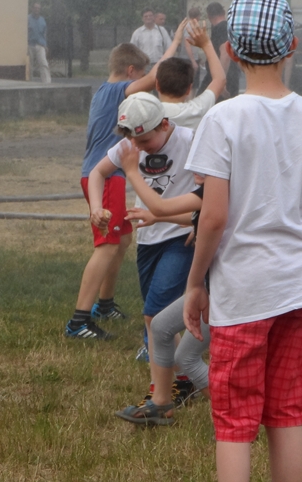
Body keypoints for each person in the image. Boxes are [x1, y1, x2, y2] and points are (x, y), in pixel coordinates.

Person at [183, 0, 302, 482]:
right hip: (298, 287)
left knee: (235, 423)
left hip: (244, 293)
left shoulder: (223, 118)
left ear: (229, 50)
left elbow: (212, 218)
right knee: (286, 413)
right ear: (292, 44)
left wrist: (194, 284)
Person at [88, 92, 197, 389]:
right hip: (148, 240)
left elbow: (208, 201)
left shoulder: (191, 142)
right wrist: (96, 207)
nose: (137, 148)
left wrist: (134, 173)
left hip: (181, 239)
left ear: (164, 124)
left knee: (154, 314)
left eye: (144, 142)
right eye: (132, 141)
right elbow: (98, 173)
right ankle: (182, 378)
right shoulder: (130, 145)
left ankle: (163, 391)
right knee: (160, 315)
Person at [64, 42, 168, 341]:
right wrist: (178, 42)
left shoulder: (103, 92)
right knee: (107, 244)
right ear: (130, 72)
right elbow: (158, 76)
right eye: (140, 75)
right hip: (105, 176)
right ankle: (78, 321)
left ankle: (105, 305)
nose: (144, 81)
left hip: (106, 175)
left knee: (122, 239)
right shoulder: (115, 91)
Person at [113, 141, 208, 426]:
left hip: (230, 291)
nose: (194, 173)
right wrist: (192, 224)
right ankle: (162, 404)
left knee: (188, 360)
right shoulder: (210, 194)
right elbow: (194, 215)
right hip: (214, 288)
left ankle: (239, 410)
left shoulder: (219, 192)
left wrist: (131, 170)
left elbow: (165, 205)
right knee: (161, 326)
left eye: (201, 169)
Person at [155, 20, 227, 130]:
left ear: (157, 85)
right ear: (189, 89)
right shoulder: (198, 109)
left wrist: (176, 42)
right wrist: (206, 44)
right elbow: (219, 79)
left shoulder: (148, 112)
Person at [206, 1, 240, 99]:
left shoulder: (221, 28)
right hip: (227, 74)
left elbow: (225, 53)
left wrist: (221, 81)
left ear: (209, 16)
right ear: (224, 12)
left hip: (224, 76)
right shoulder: (227, 28)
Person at [27, 2, 51, 84]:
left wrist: (45, 45)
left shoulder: (42, 20)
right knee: (30, 65)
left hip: (40, 45)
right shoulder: (28, 19)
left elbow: (44, 33)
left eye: (38, 8)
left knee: (43, 63)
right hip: (30, 44)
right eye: (35, 8)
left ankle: (47, 82)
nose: (37, 9)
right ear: (32, 8)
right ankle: (29, 82)